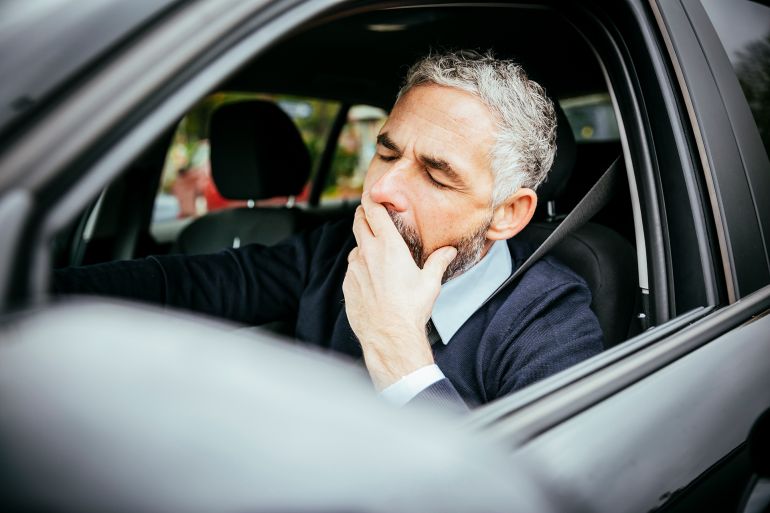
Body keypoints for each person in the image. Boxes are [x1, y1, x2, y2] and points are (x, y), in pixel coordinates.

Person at [54, 51, 603, 410]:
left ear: (507, 213)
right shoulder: (337, 249)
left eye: (436, 175)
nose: (383, 188)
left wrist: (396, 347)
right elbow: (188, 285)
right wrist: (35, 295)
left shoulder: (549, 323)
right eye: (385, 153)